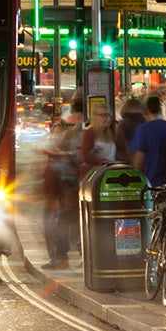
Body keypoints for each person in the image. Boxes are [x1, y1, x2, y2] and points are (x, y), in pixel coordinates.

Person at [41, 101, 83, 269]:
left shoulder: (68, 138)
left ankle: (61, 258)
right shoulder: (78, 134)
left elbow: (61, 164)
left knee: (61, 223)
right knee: (69, 223)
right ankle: (66, 257)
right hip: (67, 185)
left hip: (66, 186)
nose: (73, 127)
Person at [129, 94, 166, 188]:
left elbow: (139, 158)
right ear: (161, 110)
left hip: (150, 182)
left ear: (146, 111)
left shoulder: (143, 130)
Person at [79, 97, 122, 172]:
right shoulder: (89, 132)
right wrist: (106, 162)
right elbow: (86, 156)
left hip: (110, 171)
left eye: (107, 115)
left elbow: (121, 152)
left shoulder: (112, 132)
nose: (105, 118)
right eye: (101, 115)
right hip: (94, 174)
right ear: (94, 116)